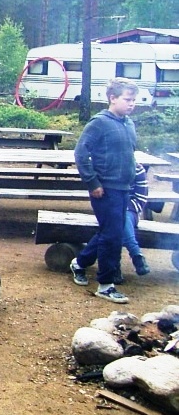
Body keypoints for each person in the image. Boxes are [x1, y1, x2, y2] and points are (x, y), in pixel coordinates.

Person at [70, 77, 139, 304]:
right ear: (112, 98)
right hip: (105, 189)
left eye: (134, 100)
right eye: (127, 99)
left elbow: (129, 154)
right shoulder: (99, 122)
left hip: (124, 187)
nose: (132, 103)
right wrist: (93, 183)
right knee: (113, 235)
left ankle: (79, 263)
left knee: (110, 231)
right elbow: (81, 153)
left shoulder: (128, 123)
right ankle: (106, 284)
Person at [118, 162, 151, 281]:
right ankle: (136, 254)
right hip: (109, 211)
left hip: (130, 212)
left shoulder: (137, 169)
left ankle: (114, 268)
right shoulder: (106, 167)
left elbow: (141, 198)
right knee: (116, 220)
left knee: (122, 218)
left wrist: (124, 208)